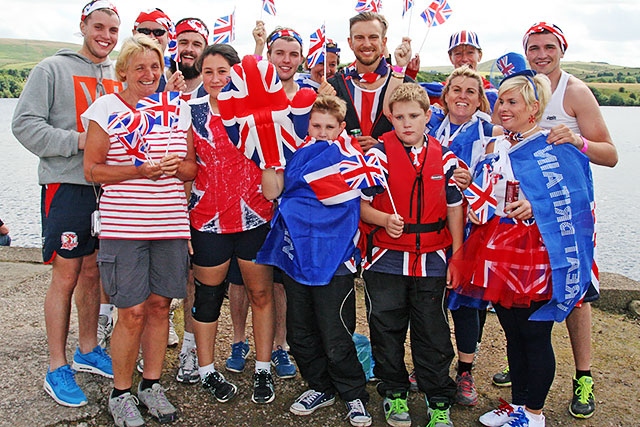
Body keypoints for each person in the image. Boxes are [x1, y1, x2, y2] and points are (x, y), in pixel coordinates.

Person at [451, 57, 595, 427]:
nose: (503, 107)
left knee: (534, 333)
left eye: (513, 102)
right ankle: (517, 406)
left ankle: (534, 413)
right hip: (500, 248)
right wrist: (472, 184)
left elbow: (578, 198)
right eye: (501, 101)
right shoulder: (497, 145)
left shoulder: (554, 145)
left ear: (534, 108)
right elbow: (491, 196)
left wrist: (537, 204)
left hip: (539, 252)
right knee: (512, 332)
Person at [488, 23, 618, 417]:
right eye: (533, 48)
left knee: (575, 292)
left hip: (565, 209)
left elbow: (610, 154)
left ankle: (583, 376)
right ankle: (525, 386)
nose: (541, 54)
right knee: (522, 318)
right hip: (519, 222)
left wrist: (577, 140)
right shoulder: (520, 91)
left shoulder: (575, 91)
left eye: (548, 47)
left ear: (561, 49)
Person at [82, 35, 196, 426]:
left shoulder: (176, 109)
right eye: (139, 68)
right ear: (124, 72)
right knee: (129, 311)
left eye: (154, 66)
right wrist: (139, 170)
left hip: (169, 223)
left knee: (161, 305)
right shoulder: (106, 108)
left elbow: (191, 170)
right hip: (124, 227)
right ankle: (121, 392)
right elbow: (92, 171)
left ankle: (151, 384)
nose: (148, 74)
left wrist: (173, 167)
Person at [11, 0, 120, 408]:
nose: (105, 36)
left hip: (107, 189)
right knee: (67, 273)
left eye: (112, 29)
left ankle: (88, 349)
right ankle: (57, 366)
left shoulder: (117, 74)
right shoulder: (52, 69)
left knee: (93, 272)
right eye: (99, 27)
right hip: (67, 185)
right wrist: (78, 141)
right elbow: (24, 124)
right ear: (83, 25)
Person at [258, 94, 374, 427]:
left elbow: (366, 194)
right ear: (308, 125)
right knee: (300, 331)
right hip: (298, 255)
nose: (322, 132)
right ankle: (320, 386)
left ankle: (353, 393)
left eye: (329, 127)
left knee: (335, 332)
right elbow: (273, 192)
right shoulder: (294, 155)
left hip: (335, 259)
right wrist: (268, 157)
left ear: (341, 128)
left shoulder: (353, 160)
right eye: (316, 125)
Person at [360, 83, 464, 427]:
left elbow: (455, 208)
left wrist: (458, 256)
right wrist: (383, 219)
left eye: (414, 116)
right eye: (400, 117)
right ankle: (394, 393)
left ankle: (438, 399)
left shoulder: (446, 159)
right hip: (387, 258)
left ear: (428, 116)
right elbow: (361, 206)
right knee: (386, 327)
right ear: (389, 118)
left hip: (432, 258)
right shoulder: (377, 157)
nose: (407, 123)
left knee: (432, 331)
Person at [189, 44, 281, 404]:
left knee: (261, 293)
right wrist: (182, 222)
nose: (215, 79)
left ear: (235, 73)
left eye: (222, 72)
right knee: (209, 298)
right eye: (208, 71)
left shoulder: (254, 110)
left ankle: (262, 368)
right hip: (208, 218)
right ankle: (206, 370)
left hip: (255, 215)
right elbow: (186, 166)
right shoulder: (190, 111)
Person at [427, 65, 503, 407]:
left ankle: (466, 370)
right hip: (433, 225)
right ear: (445, 96)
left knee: (468, 303)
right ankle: (432, 364)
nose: (462, 96)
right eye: (455, 89)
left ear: (480, 99)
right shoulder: (430, 126)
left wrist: (472, 181)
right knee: (432, 299)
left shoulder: (491, 131)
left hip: (474, 226)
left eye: (470, 91)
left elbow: (498, 176)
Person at [329, 12, 414, 151]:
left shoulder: (405, 84)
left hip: (390, 170)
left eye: (373, 37)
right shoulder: (334, 86)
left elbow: (418, 138)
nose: (366, 44)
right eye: (359, 38)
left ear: (383, 42)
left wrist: (383, 147)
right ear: (350, 43)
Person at [132, 8, 187, 93]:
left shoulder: (172, 77)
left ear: (168, 36)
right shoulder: (122, 70)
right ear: (134, 33)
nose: (152, 37)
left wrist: (167, 96)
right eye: (144, 31)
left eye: (158, 32)